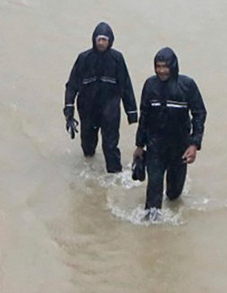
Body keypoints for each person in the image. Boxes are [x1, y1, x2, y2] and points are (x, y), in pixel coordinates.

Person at [133, 47, 207, 218]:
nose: (161, 70)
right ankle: (151, 231)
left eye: (165, 66)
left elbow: (200, 113)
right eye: (158, 66)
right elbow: (144, 115)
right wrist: (139, 145)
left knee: (174, 195)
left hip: (179, 147)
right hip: (155, 146)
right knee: (153, 196)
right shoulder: (150, 85)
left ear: (173, 66)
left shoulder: (187, 86)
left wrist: (194, 144)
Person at [63, 23, 139, 174]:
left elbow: (126, 86)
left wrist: (132, 113)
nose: (101, 43)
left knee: (110, 147)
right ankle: (89, 172)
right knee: (88, 146)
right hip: (88, 109)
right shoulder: (84, 58)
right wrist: (69, 112)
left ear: (110, 41)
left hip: (110, 110)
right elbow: (71, 85)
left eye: (104, 39)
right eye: (99, 39)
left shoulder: (117, 59)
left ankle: (115, 175)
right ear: (94, 40)